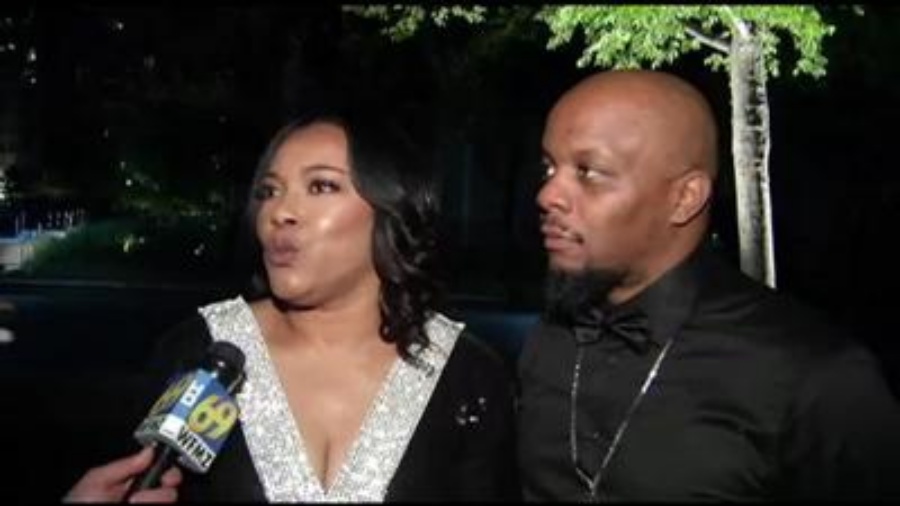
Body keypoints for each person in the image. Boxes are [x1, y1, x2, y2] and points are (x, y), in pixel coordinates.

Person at [64, 107, 519, 502]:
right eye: (269, 191)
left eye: (321, 186)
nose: (279, 212)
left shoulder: (467, 376)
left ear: (392, 207)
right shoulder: (198, 354)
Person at [517, 69, 900, 501]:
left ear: (685, 198)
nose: (547, 195)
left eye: (588, 172)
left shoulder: (816, 376)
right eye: (549, 167)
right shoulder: (549, 342)